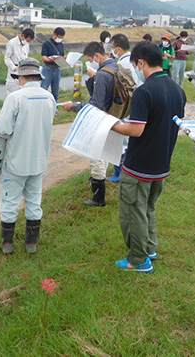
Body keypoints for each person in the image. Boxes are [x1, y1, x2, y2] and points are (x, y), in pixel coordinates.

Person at [110, 41, 186, 273]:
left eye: (136, 66)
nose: (136, 70)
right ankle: (149, 248)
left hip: (139, 165)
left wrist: (112, 125)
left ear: (141, 62)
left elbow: (136, 129)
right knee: (148, 208)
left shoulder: (145, 91)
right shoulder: (177, 89)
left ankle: (138, 259)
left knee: (133, 212)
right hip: (161, 163)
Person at [0, 58, 56, 254]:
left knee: (9, 201)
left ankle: (7, 243)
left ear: (21, 77)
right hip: (39, 160)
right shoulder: (49, 97)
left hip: (16, 161)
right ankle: (31, 243)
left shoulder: (15, 98)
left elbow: (3, 129)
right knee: (34, 201)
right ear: (38, 76)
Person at [62, 42, 118, 207]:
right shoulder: (115, 67)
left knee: (96, 156)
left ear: (97, 56)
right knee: (105, 154)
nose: (90, 62)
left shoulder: (102, 74)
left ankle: (99, 198)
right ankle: (99, 195)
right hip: (113, 117)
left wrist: (74, 106)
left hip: (101, 118)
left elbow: (96, 104)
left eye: (90, 59)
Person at [107, 33, 142, 184]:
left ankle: (119, 173)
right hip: (132, 103)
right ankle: (121, 170)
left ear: (118, 48)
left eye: (113, 47)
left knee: (122, 141)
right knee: (125, 140)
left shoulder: (123, 64)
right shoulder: (129, 60)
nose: (112, 50)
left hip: (126, 104)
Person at [4, 28, 34, 94]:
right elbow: (7, 58)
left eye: (29, 41)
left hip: (23, 73)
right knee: (12, 94)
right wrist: (14, 68)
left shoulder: (26, 45)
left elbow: (26, 57)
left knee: (23, 94)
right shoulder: (12, 43)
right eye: (27, 40)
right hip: (13, 73)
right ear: (22, 36)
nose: (27, 42)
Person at [41, 27, 66, 102]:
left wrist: (65, 57)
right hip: (48, 68)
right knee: (43, 89)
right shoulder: (46, 44)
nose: (60, 39)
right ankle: (42, 105)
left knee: (56, 91)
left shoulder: (61, 44)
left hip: (57, 68)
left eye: (62, 38)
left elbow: (62, 55)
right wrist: (49, 59)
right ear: (55, 35)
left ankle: (55, 107)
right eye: (59, 37)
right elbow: (44, 57)